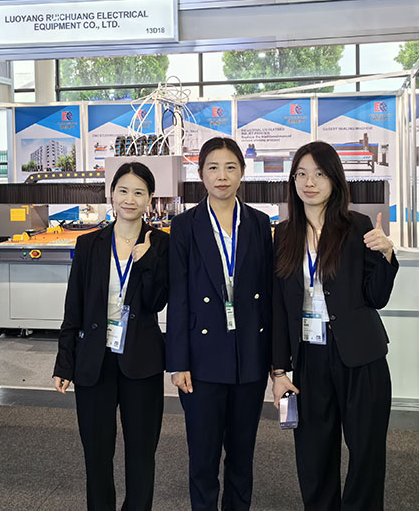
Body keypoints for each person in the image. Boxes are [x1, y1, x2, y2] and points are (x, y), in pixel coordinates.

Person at [271, 141, 397, 511]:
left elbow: (376, 297)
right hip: (309, 358)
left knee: (366, 452)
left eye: (319, 174)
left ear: (334, 180)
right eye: (301, 174)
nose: (309, 182)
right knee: (313, 454)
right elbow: (278, 308)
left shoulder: (357, 227)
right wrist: (279, 370)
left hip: (360, 355)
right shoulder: (283, 235)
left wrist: (387, 255)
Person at [53, 161, 169, 511]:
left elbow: (157, 301)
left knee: (141, 453)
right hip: (94, 362)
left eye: (139, 192)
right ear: (112, 194)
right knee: (97, 453)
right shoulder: (90, 244)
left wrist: (146, 262)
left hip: (142, 362)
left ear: (150, 198)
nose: (130, 199)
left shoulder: (162, 244)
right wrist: (65, 362)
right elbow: (74, 306)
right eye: (123, 191)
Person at [167, 136, 273, 511]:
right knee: (203, 456)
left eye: (230, 167)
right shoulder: (185, 226)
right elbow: (178, 296)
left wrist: (276, 363)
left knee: (242, 456)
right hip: (201, 360)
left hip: (249, 357)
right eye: (213, 167)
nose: (222, 176)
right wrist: (177, 361)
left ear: (242, 172)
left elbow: (269, 296)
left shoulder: (259, 224)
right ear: (201, 174)